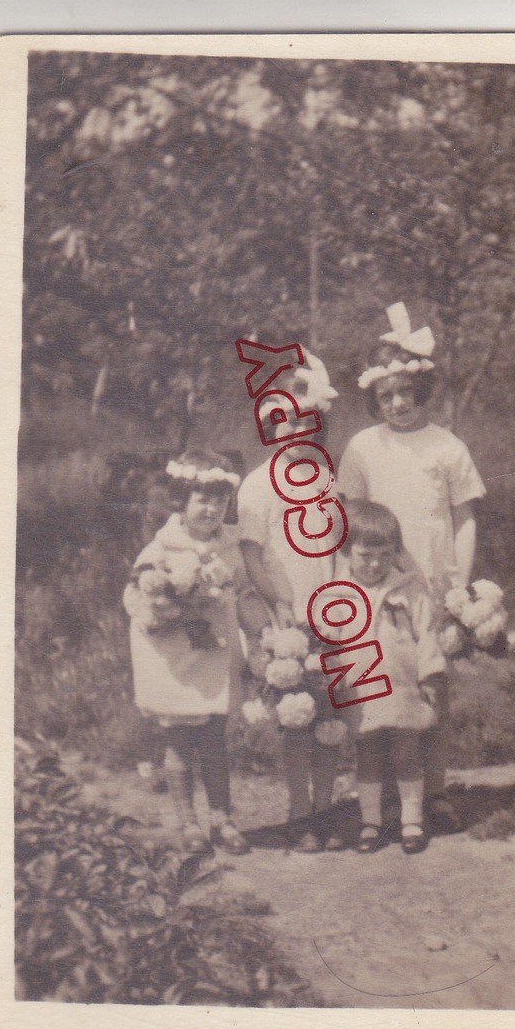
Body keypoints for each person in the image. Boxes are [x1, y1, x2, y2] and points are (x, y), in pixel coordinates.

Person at [337, 302, 486, 812]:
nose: (398, 404)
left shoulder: (447, 447)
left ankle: (434, 790)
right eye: (387, 396)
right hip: (376, 584)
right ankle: (379, 795)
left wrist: (458, 585)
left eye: (406, 393)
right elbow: (347, 519)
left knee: (432, 686)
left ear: (422, 391)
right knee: (377, 685)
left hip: (433, 585)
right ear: (375, 401)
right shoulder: (362, 447)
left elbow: (465, 520)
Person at [238, 351, 344, 853]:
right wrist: (276, 606)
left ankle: (326, 805)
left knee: (331, 715)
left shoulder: (325, 479)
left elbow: (339, 545)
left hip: (331, 614)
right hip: (288, 618)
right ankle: (299, 808)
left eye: (307, 423)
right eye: (285, 423)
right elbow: (253, 557)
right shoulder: (258, 485)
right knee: (296, 717)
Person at [123, 448, 250, 856]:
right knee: (178, 740)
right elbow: (137, 597)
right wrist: (165, 606)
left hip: (214, 656)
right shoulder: (161, 548)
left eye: (220, 500)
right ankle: (187, 822)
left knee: (214, 739)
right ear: (182, 502)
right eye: (203, 500)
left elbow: (243, 593)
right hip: (175, 658)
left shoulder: (229, 547)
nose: (212, 509)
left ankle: (222, 819)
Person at [317, 500, 447, 854]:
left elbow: (427, 638)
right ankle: (371, 821)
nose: (375, 564)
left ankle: (412, 821)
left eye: (384, 555)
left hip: (403, 689)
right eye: (365, 555)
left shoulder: (409, 591)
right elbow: (330, 644)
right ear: (347, 552)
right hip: (361, 690)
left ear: (395, 553)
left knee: (407, 753)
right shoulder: (337, 594)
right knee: (369, 756)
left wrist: (430, 679)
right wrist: (334, 686)